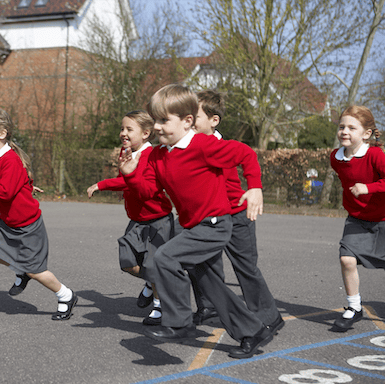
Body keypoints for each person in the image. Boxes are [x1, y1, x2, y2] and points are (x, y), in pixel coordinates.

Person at [119, 83, 273, 359]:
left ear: (187, 121)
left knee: (165, 258)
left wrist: (255, 187)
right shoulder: (158, 155)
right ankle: (252, 330)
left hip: (214, 224)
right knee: (211, 284)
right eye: (155, 120)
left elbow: (246, 154)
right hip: (192, 226)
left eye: (165, 120)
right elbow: (149, 192)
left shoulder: (204, 146)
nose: (157, 127)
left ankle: (178, 322)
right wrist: (130, 175)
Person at [0, 108, 77, 321]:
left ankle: (65, 295)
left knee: (36, 272)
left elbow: (4, 191)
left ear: (2, 133)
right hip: (7, 222)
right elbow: (10, 183)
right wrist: (26, 186)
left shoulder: (9, 159)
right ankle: (20, 269)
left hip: (27, 226)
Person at [189, 89, 284, 335]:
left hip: (237, 215)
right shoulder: (189, 145)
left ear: (214, 120)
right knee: (202, 262)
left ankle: (269, 317)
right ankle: (208, 307)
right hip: (209, 216)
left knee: (245, 267)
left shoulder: (219, 146)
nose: (188, 120)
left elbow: (248, 156)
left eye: (194, 115)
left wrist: (254, 188)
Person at [87, 110, 175, 326]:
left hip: (158, 220)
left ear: (146, 133)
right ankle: (151, 281)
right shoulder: (126, 152)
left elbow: (133, 183)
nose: (123, 133)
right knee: (127, 262)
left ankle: (159, 305)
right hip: (137, 220)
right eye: (122, 128)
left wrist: (101, 184)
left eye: (129, 129)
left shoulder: (151, 156)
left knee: (154, 264)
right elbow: (123, 178)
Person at [330, 105, 385, 331]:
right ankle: (354, 308)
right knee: (347, 259)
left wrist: (368, 188)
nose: (344, 131)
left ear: (366, 134)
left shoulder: (375, 155)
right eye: (342, 126)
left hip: (383, 218)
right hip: (357, 218)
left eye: (352, 127)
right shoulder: (336, 157)